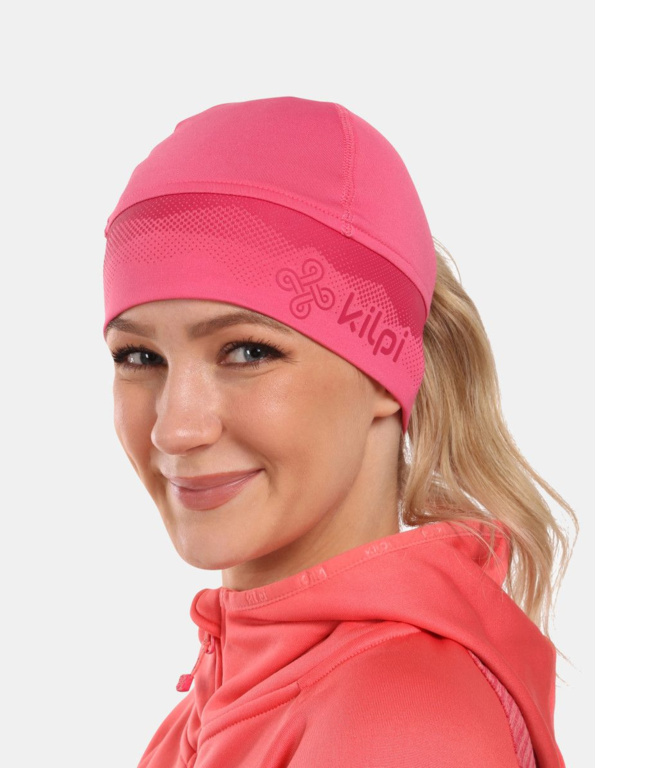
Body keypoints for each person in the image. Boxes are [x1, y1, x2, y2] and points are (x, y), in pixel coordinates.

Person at [100, 96, 578, 767]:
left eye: (247, 352)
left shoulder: (401, 723)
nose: (175, 429)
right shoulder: (225, 702)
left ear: (385, 370)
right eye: (139, 357)